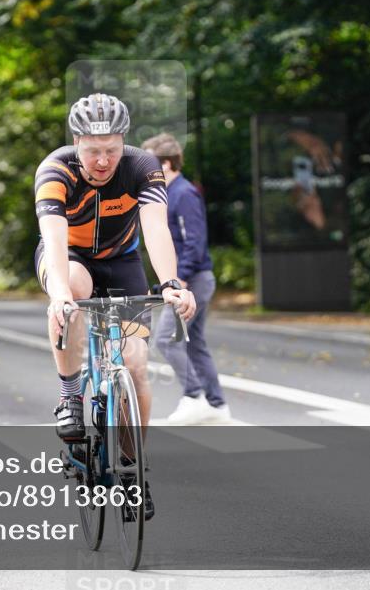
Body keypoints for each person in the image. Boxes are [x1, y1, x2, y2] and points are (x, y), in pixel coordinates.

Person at [35, 93, 197, 519]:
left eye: (111, 150)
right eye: (93, 151)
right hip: (69, 258)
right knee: (71, 289)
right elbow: (52, 235)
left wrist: (171, 284)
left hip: (122, 262)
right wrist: (59, 297)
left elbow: (157, 228)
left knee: (137, 363)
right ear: (76, 142)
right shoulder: (55, 169)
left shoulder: (142, 167)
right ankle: (70, 397)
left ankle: (133, 469)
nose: (103, 161)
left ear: (123, 141)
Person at [142, 134, 231, 424]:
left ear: (166, 164)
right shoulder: (168, 194)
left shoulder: (184, 193)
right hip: (191, 279)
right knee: (194, 343)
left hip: (192, 280)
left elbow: (194, 242)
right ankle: (217, 405)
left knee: (167, 339)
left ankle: (195, 396)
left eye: (149, 163)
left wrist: (178, 280)